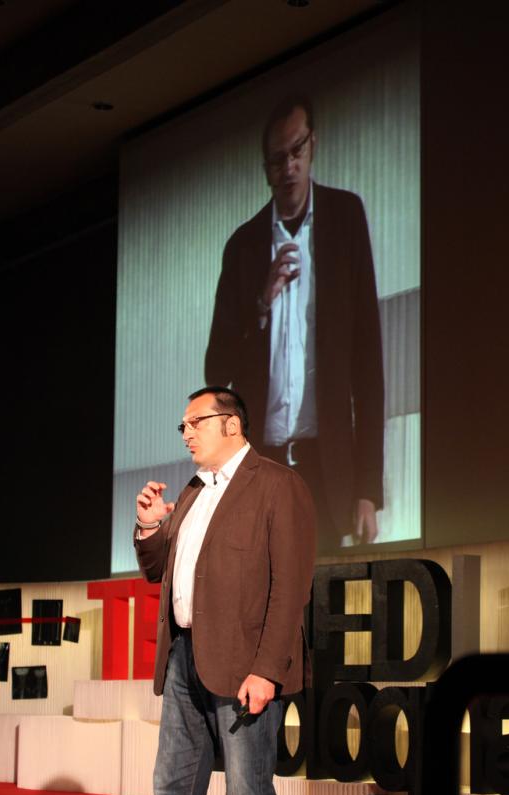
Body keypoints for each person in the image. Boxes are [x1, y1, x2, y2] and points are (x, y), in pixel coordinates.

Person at [96, 386, 316, 795]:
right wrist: (148, 527)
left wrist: (267, 669)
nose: (186, 433)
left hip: (244, 668)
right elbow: (157, 572)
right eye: (184, 425)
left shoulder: (278, 485)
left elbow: (290, 588)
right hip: (184, 660)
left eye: (196, 422)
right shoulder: (194, 490)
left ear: (232, 424)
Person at [205, 95, 384, 550]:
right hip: (260, 470)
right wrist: (260, 304)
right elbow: (216, 370)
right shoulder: (243, 246)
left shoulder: (345, 218)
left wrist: (368, 489)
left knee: (323, 591)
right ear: (265, 168)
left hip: (326, 471)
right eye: (277, 159)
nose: (289, 167)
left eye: (296, 151)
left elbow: (367, 362)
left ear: (313, 145)